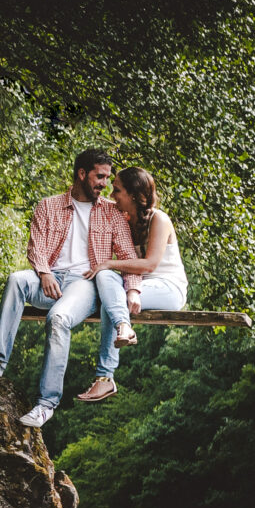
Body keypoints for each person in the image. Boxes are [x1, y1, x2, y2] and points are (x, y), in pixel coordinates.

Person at [0, 148, 141, 427]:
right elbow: (36, 248)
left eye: (107, 178)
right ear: (82, 173)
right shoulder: (48, 206)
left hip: (84, 284)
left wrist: (133, 290)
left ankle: (46, 404)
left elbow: (129, 257)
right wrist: (45, 273)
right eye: (100, 176)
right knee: (16, 279)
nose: (104, 184)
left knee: (57, 318)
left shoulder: (111, 212)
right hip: (50, 279)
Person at [74, 166, 188, 403]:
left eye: (117, 190)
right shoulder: (126, 220)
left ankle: (105, 377)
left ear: (134, 195)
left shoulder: (159, 219)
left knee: (111, 296)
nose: (112, 195)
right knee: (105, 277)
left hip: (168, 288)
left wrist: (112, 266)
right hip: (137, 286)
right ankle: (123, 327)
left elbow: (149, 265)